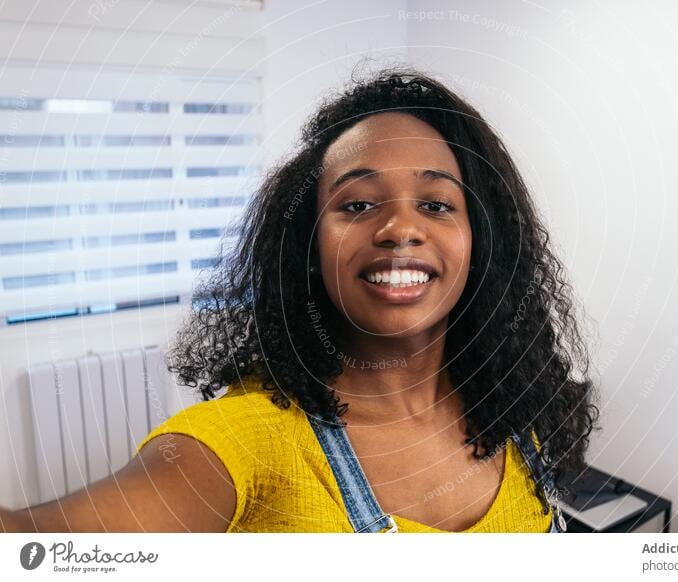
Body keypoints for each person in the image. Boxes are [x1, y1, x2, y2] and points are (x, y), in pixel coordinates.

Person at [0, 67, 598, 533]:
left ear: (481, 241)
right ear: (309, 247)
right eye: (357, 204)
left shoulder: (514, 408)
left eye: (437, 204)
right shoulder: (244, 441)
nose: (398, 228)